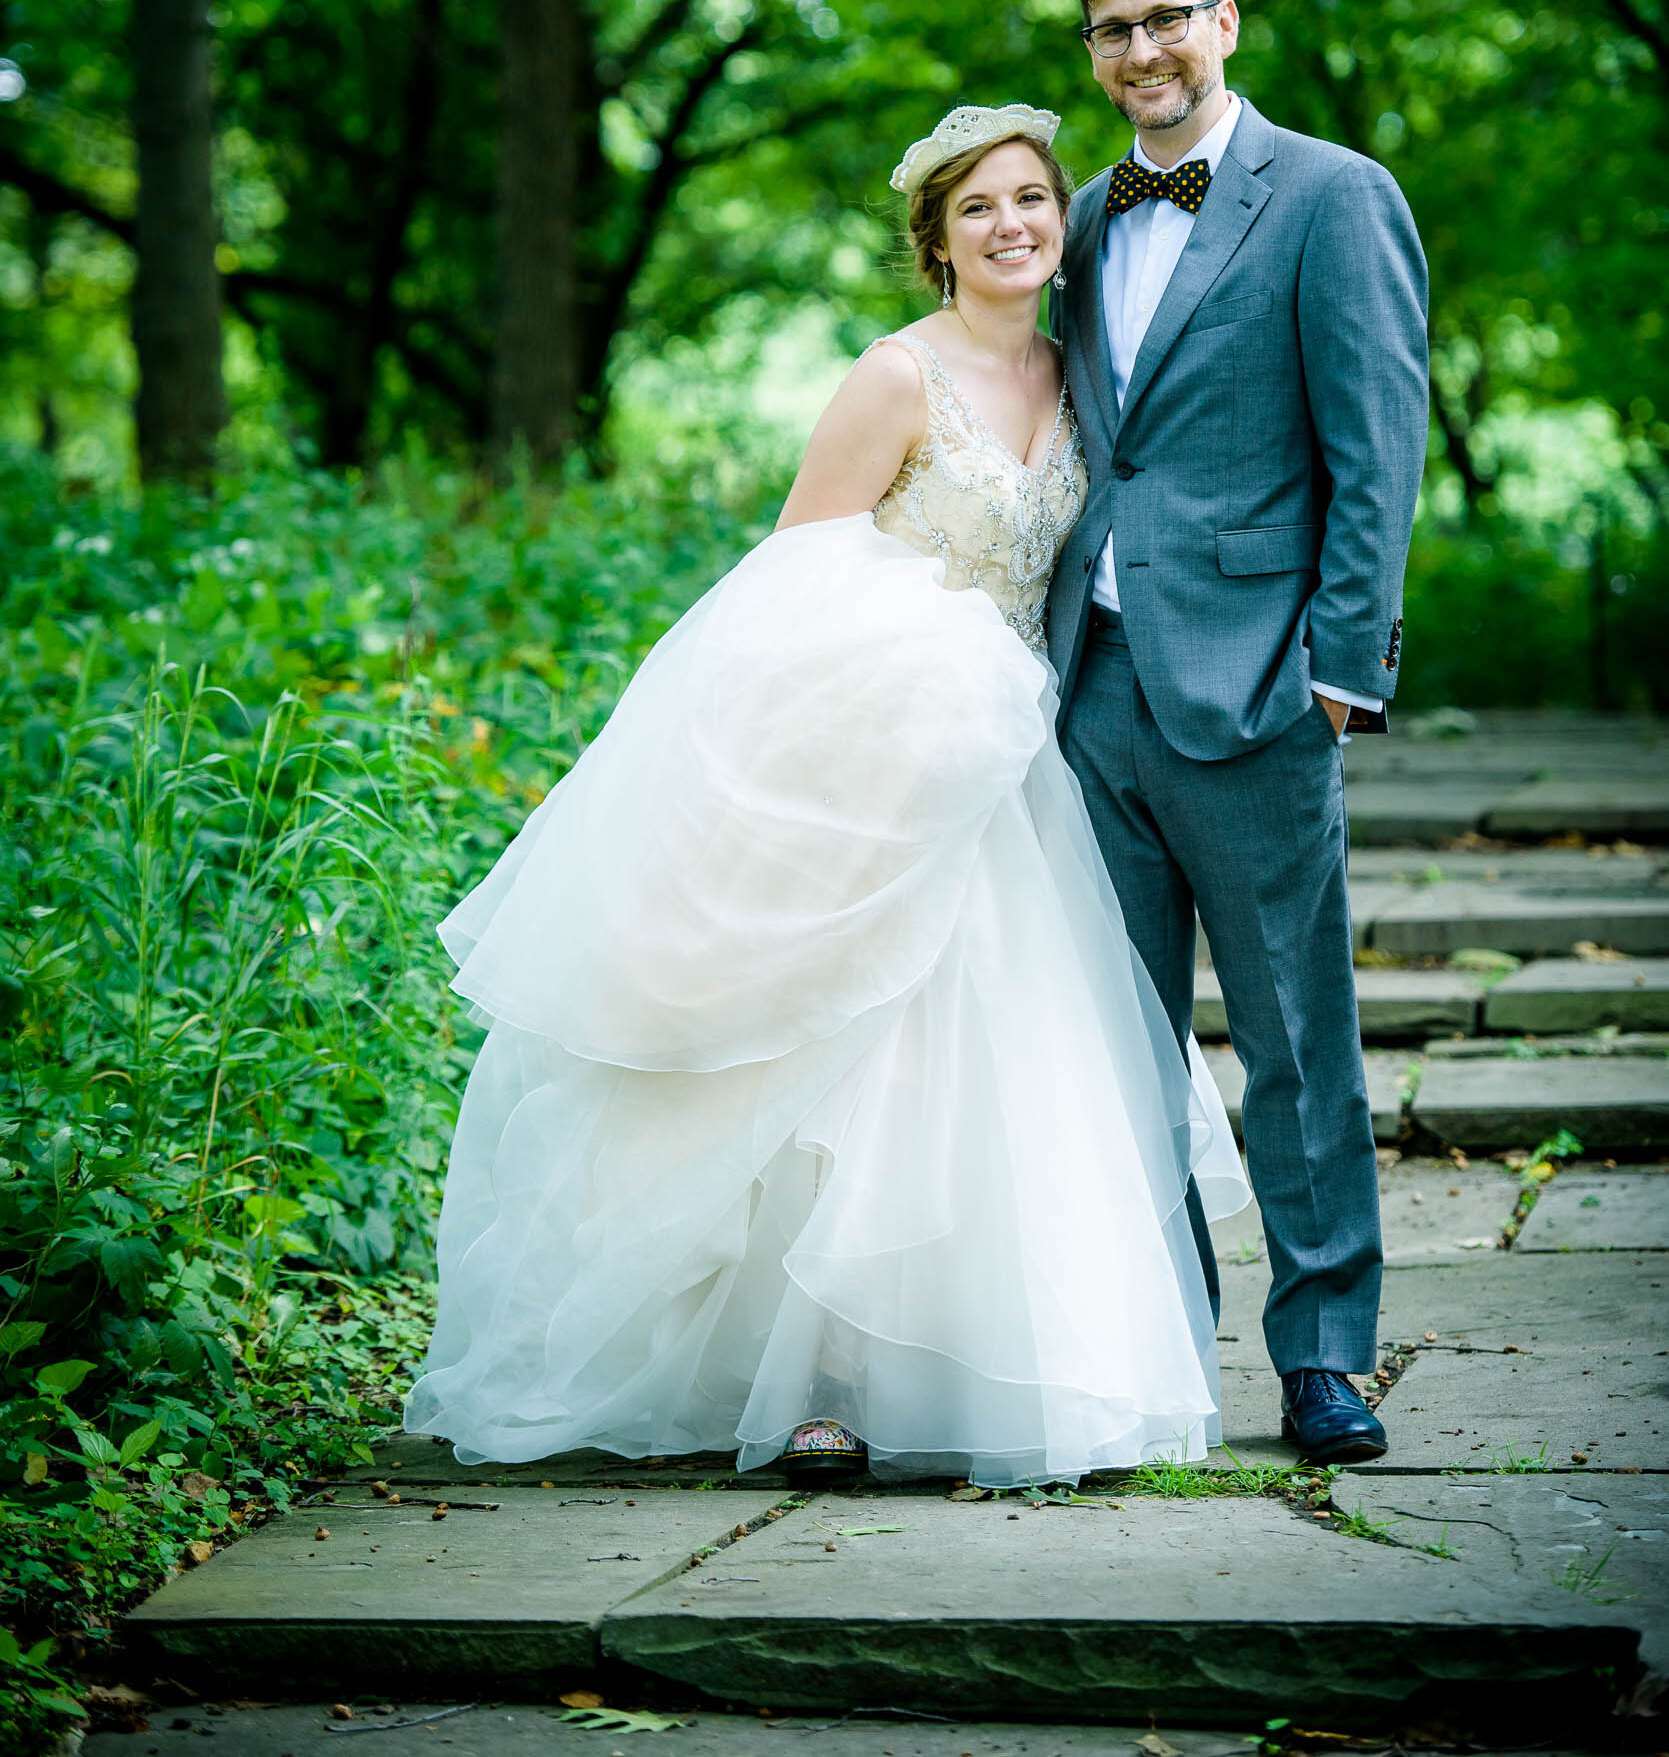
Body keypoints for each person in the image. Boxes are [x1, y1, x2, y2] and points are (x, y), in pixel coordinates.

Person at [405, 107, 1248, 1488]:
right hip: (876, 755)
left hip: (1017, 766)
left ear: (1064, 219)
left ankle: (971, 1367)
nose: (1012, 225)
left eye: (1033, 199)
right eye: (977, 209)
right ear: (935, 241)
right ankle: (819, 1387)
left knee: (986, 1069)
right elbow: (795, 579)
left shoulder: (1083, 373)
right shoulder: (892, 378)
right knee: (839, 1057)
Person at [1047, 0, 1429, 1465]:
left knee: (1293, 1040)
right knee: (1118, 1043)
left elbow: (1375, 441)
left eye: (1164, 22)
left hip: (1261, 692)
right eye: (1110, 34)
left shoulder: (1333, 196)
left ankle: (1324, 1353)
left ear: (1225, 24)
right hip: (1090, 693)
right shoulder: (1069, 216)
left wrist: (1341, 673)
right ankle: (1154, 1352)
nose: (1140, 53)